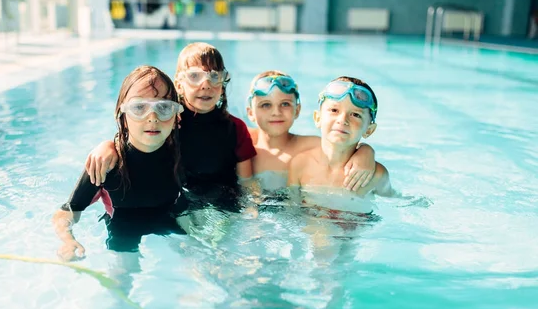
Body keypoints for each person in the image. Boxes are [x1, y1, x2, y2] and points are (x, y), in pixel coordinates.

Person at [84, 42, 257, 210]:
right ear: (179, 84)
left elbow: (246, 181)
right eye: (195, 76)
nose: (206, 85)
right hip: (181, 201)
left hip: (224, 200)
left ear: (223, 82)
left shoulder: (236, 128)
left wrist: (251, 210)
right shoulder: (168, 119)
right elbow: (135, 137)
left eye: (214, 76)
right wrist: (107, 146)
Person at [52, 65, 186, 260]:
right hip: (122, 228)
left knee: (195, 269)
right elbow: (67, 212)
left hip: (169, 219)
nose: (153, 117)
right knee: (122, 275)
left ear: (176, 116)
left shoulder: (182, 154)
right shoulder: (105, 163)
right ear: (122, 116)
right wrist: (67, 239)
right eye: (139, 107)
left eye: (164, 107)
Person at [246, 70, 376, 192]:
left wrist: (366, 153)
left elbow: (341, 143)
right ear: (250, 113)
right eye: (266, 105)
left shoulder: (309, 145)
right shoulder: (242, 140)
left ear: (297, 110)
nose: (276, 112)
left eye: (285, 104)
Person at [288, 77, 395, 215]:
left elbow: (394, 202)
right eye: (334, 110)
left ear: (369, 130)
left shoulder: (376, 175)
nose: (342, 120)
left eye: (355, 114)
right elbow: (290, 210)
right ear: (318, 118)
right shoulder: (300, 164)